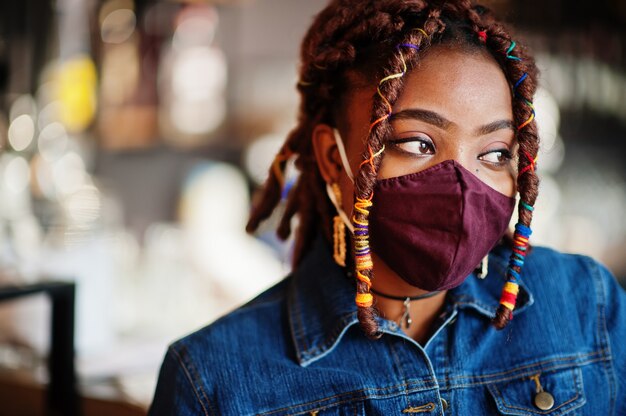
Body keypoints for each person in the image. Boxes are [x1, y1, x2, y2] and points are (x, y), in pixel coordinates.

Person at [148, 0, 626, 414]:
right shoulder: (213, 380)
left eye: (495, 153)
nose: (462, 184)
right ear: (334, 159)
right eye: (417, 143)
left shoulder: (587, 309)